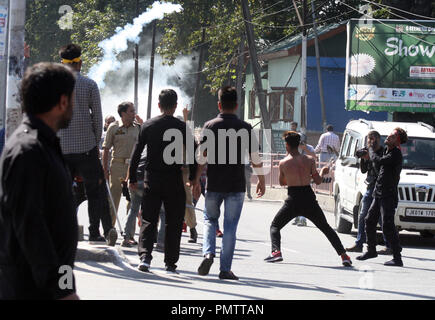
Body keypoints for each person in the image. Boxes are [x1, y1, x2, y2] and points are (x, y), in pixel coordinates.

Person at [0, 62, 79, 300]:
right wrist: (63, 291)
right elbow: (31, 227)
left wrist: (67, 286)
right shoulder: (28, 150)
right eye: (73, 99)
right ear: (62, 102)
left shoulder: (44, 145)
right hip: (29, 290)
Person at [193, 86, 266, 280]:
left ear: (219, 104)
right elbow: (255, 157)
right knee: (231, 226)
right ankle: (225, 269)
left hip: (214, 183)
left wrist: (195, 180)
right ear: (237, 105)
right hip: (236, 185)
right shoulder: (245, 128)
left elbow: (201, 156)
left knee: (209, 220)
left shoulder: (210, 126)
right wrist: (262, 179)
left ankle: (208, 253)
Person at [129, 89, 197, 274]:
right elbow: (194, 152)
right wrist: (192, 177)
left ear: (158, 105)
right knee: (174, 222)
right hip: (174, 179)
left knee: (149, 219)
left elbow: (136, 153)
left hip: (152, 178)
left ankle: (145, 258)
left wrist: (132, 177)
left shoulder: (149, 125)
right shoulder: (182, 127)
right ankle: (170, 263)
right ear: (175, 106)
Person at [264, 131, 352, 267]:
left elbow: (282, 183)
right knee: (326, 228)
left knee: (275, 226)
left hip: (293, 198)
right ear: (299, 145)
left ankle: (276, 252)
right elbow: (317, 181)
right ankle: (344, 255)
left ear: (287, 145)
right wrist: (322, 172)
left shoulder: (283, 163)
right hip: (309, 198)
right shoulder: (310, 160)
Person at [58, 43, 117, 246]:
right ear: (80, 63)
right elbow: (98, 119)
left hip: (61, 148)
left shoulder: (53, 86)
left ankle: (63, 232)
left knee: (62, 193)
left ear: (61, 64)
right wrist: (93, 141)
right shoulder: (90, 85)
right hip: (86, 148)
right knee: (94, 192)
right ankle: (94, 232)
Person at [357, 128, 408, 267]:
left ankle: (397, 258)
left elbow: (378, 161)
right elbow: (374, 164)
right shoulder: (387, 150)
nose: (388, 137)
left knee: (387, 225)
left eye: (391, 136)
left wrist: (371, 149)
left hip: (388, 195)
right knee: (369, 220)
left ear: (396, 140)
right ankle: (371, 250)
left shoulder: (396, 154)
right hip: (378, 193)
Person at [346, 130, 389, 253]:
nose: (371, 142)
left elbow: (380, 169)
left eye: (373, 139)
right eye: (369, 140)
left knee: (382, 218)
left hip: (380, 188)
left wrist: (370, 156)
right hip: (370, 188)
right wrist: (364, 159)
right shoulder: (367, 151)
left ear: (379, 140)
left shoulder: (383, 152)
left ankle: (389, 245)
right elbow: (364, 171)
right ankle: (359, 244)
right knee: (362, 216)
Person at [102, 102, 140, 227]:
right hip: (117, 165)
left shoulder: (138, 128)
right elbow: (106, 149)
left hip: (133, 166)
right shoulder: (113, 127)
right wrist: (105, 170)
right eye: (131, 111)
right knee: (114, 198)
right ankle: (109, 229)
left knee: (132, 200)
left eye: (134, 111)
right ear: (123, 114)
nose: (134, 113)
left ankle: (129, 233)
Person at [292, 133, 316, 227]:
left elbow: (314, 157)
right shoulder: (293, 147)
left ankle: (303, 219)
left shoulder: (309, 148)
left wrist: (305, 149)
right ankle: (297, 216)